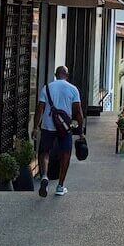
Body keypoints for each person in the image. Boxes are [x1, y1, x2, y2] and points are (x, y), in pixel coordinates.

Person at [33, 66, 84, 197]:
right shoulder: (73, 89)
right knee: (65, 154)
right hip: (65, 128)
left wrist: (35, 127)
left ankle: (44, 175)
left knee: (44, 152)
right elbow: (78, 112)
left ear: (55, 75)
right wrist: (80, 131)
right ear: (67, 75)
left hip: (48, 126)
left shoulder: (47, 88)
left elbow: (40, 109)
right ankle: (60, 186)